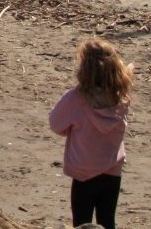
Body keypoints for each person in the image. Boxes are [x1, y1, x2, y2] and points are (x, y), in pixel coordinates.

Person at [49, 38, 133, 229]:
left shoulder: (76, 99)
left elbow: (56, 124)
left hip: (84, 172)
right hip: (112, 169)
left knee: (82, 222)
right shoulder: (119, 98)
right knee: (107, 220)